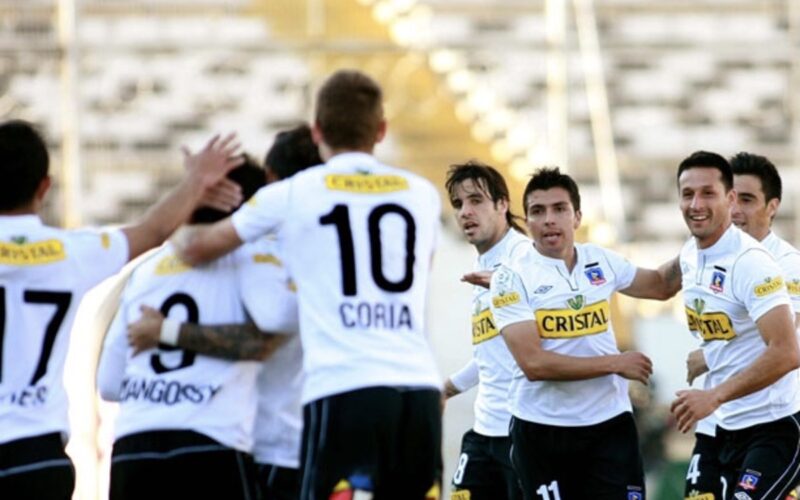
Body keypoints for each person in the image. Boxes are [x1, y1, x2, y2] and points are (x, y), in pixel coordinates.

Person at [170, 69, 443, 499]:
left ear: (317, 131)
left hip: (345, 387)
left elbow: (192, 248)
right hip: (419, 389)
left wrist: (193, 193)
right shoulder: (422, 194)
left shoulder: (294, 193)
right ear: (381, 130)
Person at [0, 120, 241, 499]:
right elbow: (153, 230)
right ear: (44, 186)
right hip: (39, 456)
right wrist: (196, 182)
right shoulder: (69, 253)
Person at [125, 124, 323, 500]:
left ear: (271, 181)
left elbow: (269, 329)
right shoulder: (327, 250)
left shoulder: (259, 250)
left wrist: (168, 331)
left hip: (264, 445)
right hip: (299, 441)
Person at [489, 167, 681, 500]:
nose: (549, 219)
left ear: (577, 217)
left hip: (609, 424)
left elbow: (661, 286)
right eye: (538, 211)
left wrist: (705, 244)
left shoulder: (600, 260)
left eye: (559, 209)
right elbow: (534, 364)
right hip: (543, 430)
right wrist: (614, 363)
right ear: (526, 222)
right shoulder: (511, 277)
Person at [670, 151, 800, 500]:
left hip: (772, 419)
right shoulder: (701, 252)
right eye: (734, 198)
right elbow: (659, 282)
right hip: (719, 422)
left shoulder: (782, 264)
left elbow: (788, 344)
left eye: (748, 199)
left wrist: (709, 360)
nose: (737, 210)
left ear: (772, 206)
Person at [442, 160, 526, 500]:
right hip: (485, 429)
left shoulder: (524, 257)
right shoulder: (483, 263)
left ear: (502, 204)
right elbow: (492, 352)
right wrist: (447, 388)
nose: (465, 212)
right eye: (459, 204)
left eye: (476, 200)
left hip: (521, 430)